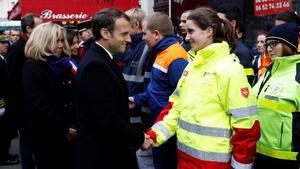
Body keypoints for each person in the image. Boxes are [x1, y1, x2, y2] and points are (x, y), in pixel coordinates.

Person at [144, 7, 260, 169]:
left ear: (209, 31)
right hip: (186, 159)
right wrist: (153, 136)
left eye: (191, 31)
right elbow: (175, 108)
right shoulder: (192, 66)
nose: (187, 37)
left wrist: (240, 166)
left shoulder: (229, 69)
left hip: (216, 165)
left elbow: (246, 126)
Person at [75, 8, 151, 169]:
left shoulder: (101, 58)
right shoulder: (95, 65)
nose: (129, 39)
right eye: (123, 34)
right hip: (104, 156)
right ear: (105, 33)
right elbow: (106, 119)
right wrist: (139, 137)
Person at [129, 12, 188, 169]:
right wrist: (136, 100)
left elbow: (183, 96)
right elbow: (157, 90)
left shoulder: (175, 57)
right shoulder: (163, 52)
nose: (142, 38)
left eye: (144, 33)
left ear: (156, 34)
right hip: (160, 122)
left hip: (168, 127)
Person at [23, 22, 77, 169]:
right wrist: (64, 128)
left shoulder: (65, 63)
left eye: (61, 40)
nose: (60, 45)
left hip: (71, 133)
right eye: (56, 41)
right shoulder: (32, 66)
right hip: (48, 136)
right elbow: (40, 105)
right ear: (43, 41)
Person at [253, 22, 300, 169]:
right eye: (268, 44)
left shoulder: (298, 74)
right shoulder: (268, 71)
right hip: (259, 154)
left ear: (289, 44)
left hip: (287, 160)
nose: (269, 49)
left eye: (274, 43)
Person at [114, 8, 155, 169]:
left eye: (125, 29)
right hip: (131, 113)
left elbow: (147, 83)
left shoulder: (145, 48)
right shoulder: (133, 46)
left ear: (135, 24)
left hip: (139, 116)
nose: (124, 35)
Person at [6, 13, 42, 169]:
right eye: (39, 27)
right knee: (27, 144)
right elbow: (13, 82)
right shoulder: (16, 49)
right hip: (24, 107)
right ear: (28, 29)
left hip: (32, 106)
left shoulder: (32, 46)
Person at [216, 4, 254, 84]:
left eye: (219, 21)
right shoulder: (216, 46)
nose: (215, 24)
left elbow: (246, 84)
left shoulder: (242, 52)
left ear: (232, 23)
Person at [0, 35, 19, 166]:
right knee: (2, 131)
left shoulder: (3, 58)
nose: (6, 45)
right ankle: (2, 156)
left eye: (6, 43)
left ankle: (5, 153)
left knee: (5, 131)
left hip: (6, 100)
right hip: (2, 101)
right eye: (2, 43)